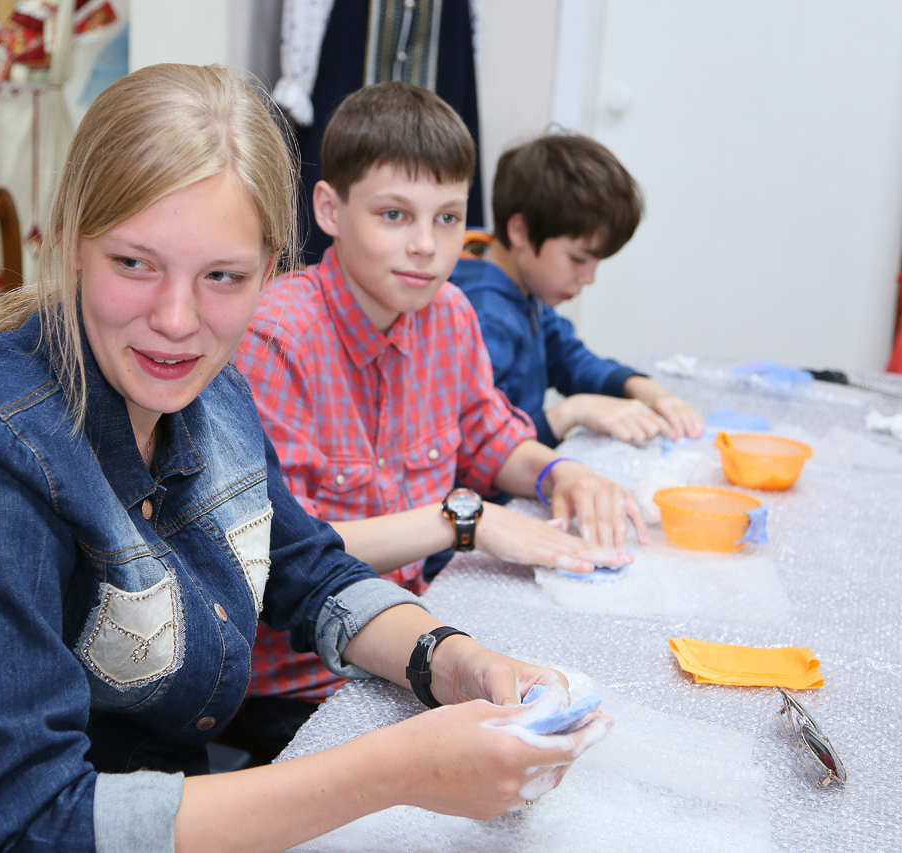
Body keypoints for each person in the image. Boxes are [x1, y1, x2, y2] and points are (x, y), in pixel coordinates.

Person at [0, 65, 612, 853]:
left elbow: (309, 568)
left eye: (223, 276)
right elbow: (32, 824)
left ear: (270, 273)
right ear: (72, 240)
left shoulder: (210, 392)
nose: (178, 319)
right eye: (135, 263)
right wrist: (400, 770)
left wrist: (451, 658)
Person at [227, 83, 642, 764]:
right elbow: (283, 555)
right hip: (302, 682)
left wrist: (560, 471)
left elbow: (488, 435)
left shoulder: (449, 313)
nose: (425, 245)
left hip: (421, 631)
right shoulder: (278, 336)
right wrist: (462, 521)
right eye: (394, 215)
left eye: (448, 218)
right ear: (329, 209)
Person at [452, 133, 705, 447]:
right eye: (578, 259)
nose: (589, 277)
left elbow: (567, 358)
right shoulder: (484, 316)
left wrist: (643, 389)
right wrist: (571, 413)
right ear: (521, 231)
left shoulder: (521, 284)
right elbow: (474, 448)